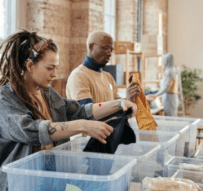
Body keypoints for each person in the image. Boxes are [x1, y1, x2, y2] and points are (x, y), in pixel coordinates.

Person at [0, 30, 137, 191]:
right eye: (50, 68)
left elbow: (78, 110)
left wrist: (119, 104)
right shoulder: (5, 99)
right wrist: (83, 126)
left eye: (56, 68)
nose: (55, 74)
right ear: (30, 66)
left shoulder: (46, 91)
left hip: (51, 177)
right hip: (23, 183)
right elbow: (31, 130)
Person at [66, 31, 141, 105]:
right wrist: (121, 105)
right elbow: (88, 113)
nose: (109, 54)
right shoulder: (79, 76)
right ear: (91, 47)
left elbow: (118, 109)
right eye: (105, 48)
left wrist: (129, 100)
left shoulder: (108, 77)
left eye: (111, 50)